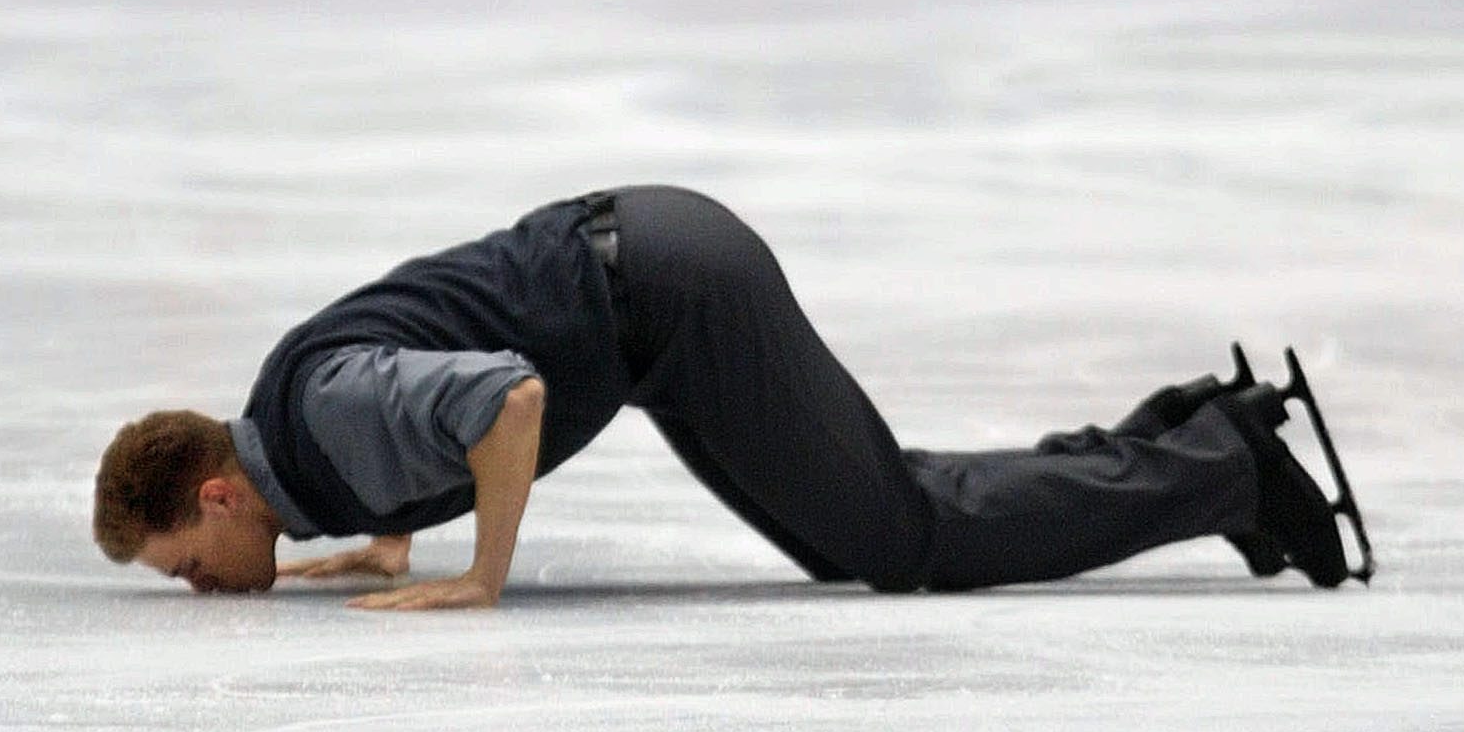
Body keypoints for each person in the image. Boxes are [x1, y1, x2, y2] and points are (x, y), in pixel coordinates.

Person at [93, 187, 1369, 609]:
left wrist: (481, 576)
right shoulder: (303, 435)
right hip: (649, 296)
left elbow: (509, 398)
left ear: (215, 492)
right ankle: (1175, 436)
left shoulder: (315, 417)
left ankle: (1231, 465)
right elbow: (428, 386)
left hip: (667, 292)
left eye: (185, 558)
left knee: (900, 535)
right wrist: (387, 538)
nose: (198, 578)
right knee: (847, 526)